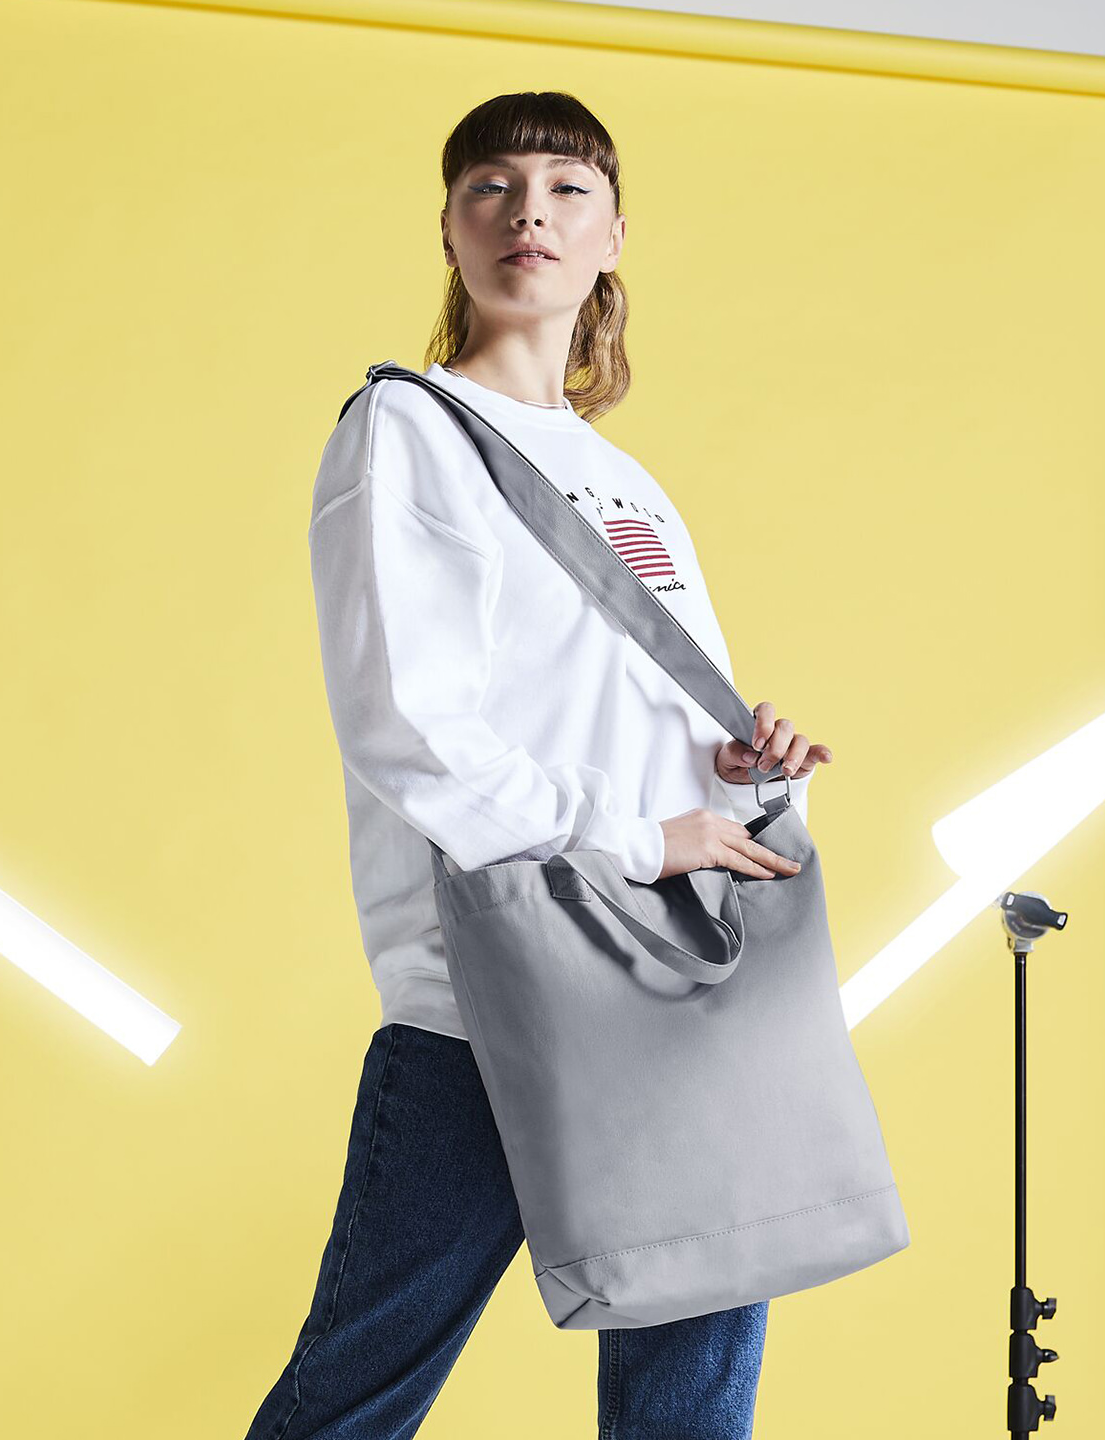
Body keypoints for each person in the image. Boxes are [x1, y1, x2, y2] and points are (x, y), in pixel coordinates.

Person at [243, 90, 832, 1440]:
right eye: (492, 187)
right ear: (450, 230)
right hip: (496, 982)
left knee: (690, 1402)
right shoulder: (409, 429)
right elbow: (406, 723)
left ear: (614, 236)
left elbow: (643, 724)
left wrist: (745, 775)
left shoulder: (626, 480)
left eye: (568, 190)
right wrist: (641, 839)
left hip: (673, 970)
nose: (529, 214)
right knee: (358, 1393)